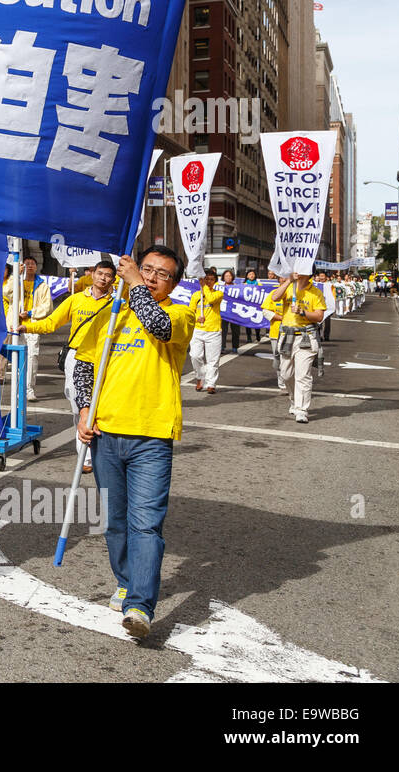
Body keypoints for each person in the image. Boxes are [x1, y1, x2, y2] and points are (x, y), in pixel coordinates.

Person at [74, 246, 195, 640]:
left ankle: (140, 605)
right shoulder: (114, 313)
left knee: (146, 525)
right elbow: (87, 364)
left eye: (162, 274)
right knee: (115, 522)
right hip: (106, 434)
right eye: (147, 269)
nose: (153, 277)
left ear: (173, 283)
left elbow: (158, 326)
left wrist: (133, 284)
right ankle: (126, 580)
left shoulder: (180, 313)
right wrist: (84, 408)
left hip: (152, 436)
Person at [20, 258, 115, 474]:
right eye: (100, 273)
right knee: (78, 405)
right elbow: (52, 322)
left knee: (101, 405)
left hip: (105, 359)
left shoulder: (117, 304)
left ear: (113, 279)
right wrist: (27, 328)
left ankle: (98, 453)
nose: (104, 278)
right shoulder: (75, 300)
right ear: (92, 274)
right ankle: (85, 454)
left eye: (109, 275)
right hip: (76, 358)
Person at [262, 273, 326, 424]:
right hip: (287, 336)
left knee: (303, 375)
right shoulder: (288, 287)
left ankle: (302, 409)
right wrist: (289, 280)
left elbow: (319, 316)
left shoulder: (315, 292)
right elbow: (274, 298)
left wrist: (302, 312)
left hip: (306, 337)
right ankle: (294, 400)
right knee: (286, 374)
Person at [2, 255, 51, 400]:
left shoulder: (42, 285)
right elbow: (6, 292)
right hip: (16, 326)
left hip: (32, 326)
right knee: (18, 358)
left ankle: (29, 389)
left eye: (32, 264)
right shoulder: (17, 281)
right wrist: (15, 274)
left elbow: (47, 307)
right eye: (27, 263)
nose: (29, 265)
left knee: (32, 357)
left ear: (36, 267)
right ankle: (18, 389)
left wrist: (30, 313)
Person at [189, 266, 224, 394]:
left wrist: (204, 287)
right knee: (195, 356)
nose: (208, 281)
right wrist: (197, 318)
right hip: (198, 331)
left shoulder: (218, 294)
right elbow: (191, 312)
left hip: (213, 331)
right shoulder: (195, 296)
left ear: (215, 281)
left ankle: (211, 383)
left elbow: (210, 299)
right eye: (206, 279)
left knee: (212, 360)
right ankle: (200, 377)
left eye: (211, 279)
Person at [218, 270, 241, 353]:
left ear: (233, 277)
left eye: (229, 276)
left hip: (235, 312)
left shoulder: (238, 287)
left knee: (235, 331)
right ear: (223, 277)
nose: (228, 277)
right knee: (223, 330)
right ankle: (222, 347)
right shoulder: (220, 287)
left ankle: (235, 347)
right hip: (224, 312)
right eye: (226, 276)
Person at [242, 269, 262, 342]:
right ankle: (249, 337)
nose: (251, 275)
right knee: (247, 322)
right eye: (250, 274)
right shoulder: (243, 284)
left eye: (253, 274)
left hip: (256, 306)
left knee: (257, 321)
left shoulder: (259, 284)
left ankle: (257, 335)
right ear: (247, 276)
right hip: (247, 306)